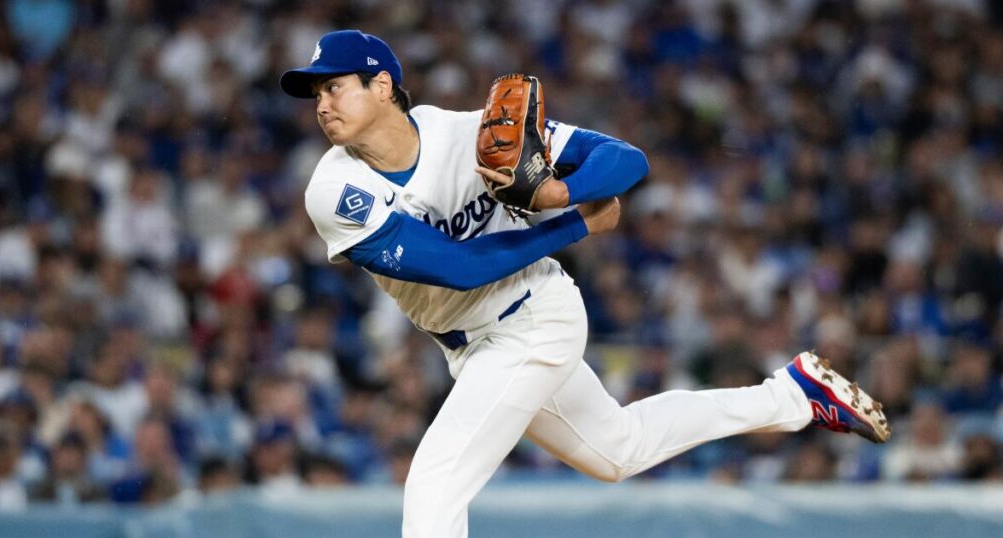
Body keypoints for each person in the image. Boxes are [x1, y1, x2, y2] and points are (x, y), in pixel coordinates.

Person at [281, 29, 890, 538]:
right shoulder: (333, 192)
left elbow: (627, 160)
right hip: (473, 341)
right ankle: (792, 395)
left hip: (535, 316)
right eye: (315, 93)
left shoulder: (470, 134)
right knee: (616, 451)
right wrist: (574, 224)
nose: (322, 103)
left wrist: (560, 191)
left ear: (382, 86)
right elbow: (453, 267)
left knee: (436, 481)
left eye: (333, 86)